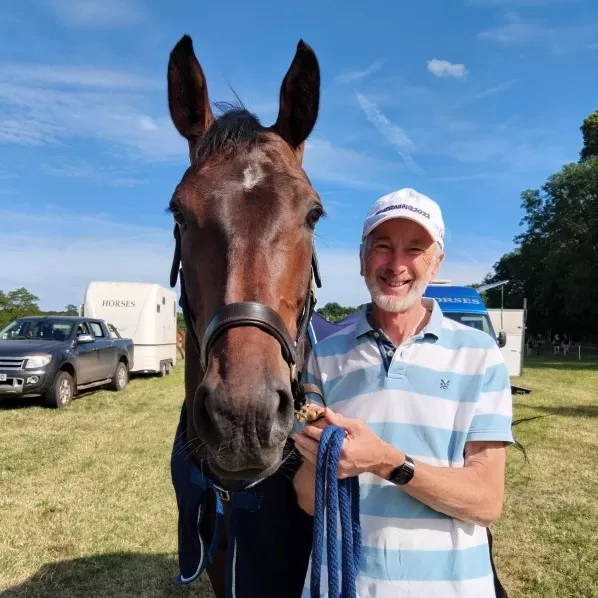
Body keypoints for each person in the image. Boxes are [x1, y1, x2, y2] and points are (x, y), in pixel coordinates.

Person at [292, 188, 514, 598]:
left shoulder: (479, 355)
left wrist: (389, 462)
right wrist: (318, 456)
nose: (396, 265)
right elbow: (308, 500)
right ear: (361, 258)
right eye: (382, 247)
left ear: (437, 263)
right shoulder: (325, 357)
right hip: (341, 587)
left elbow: (486, 502)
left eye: (415, 249)